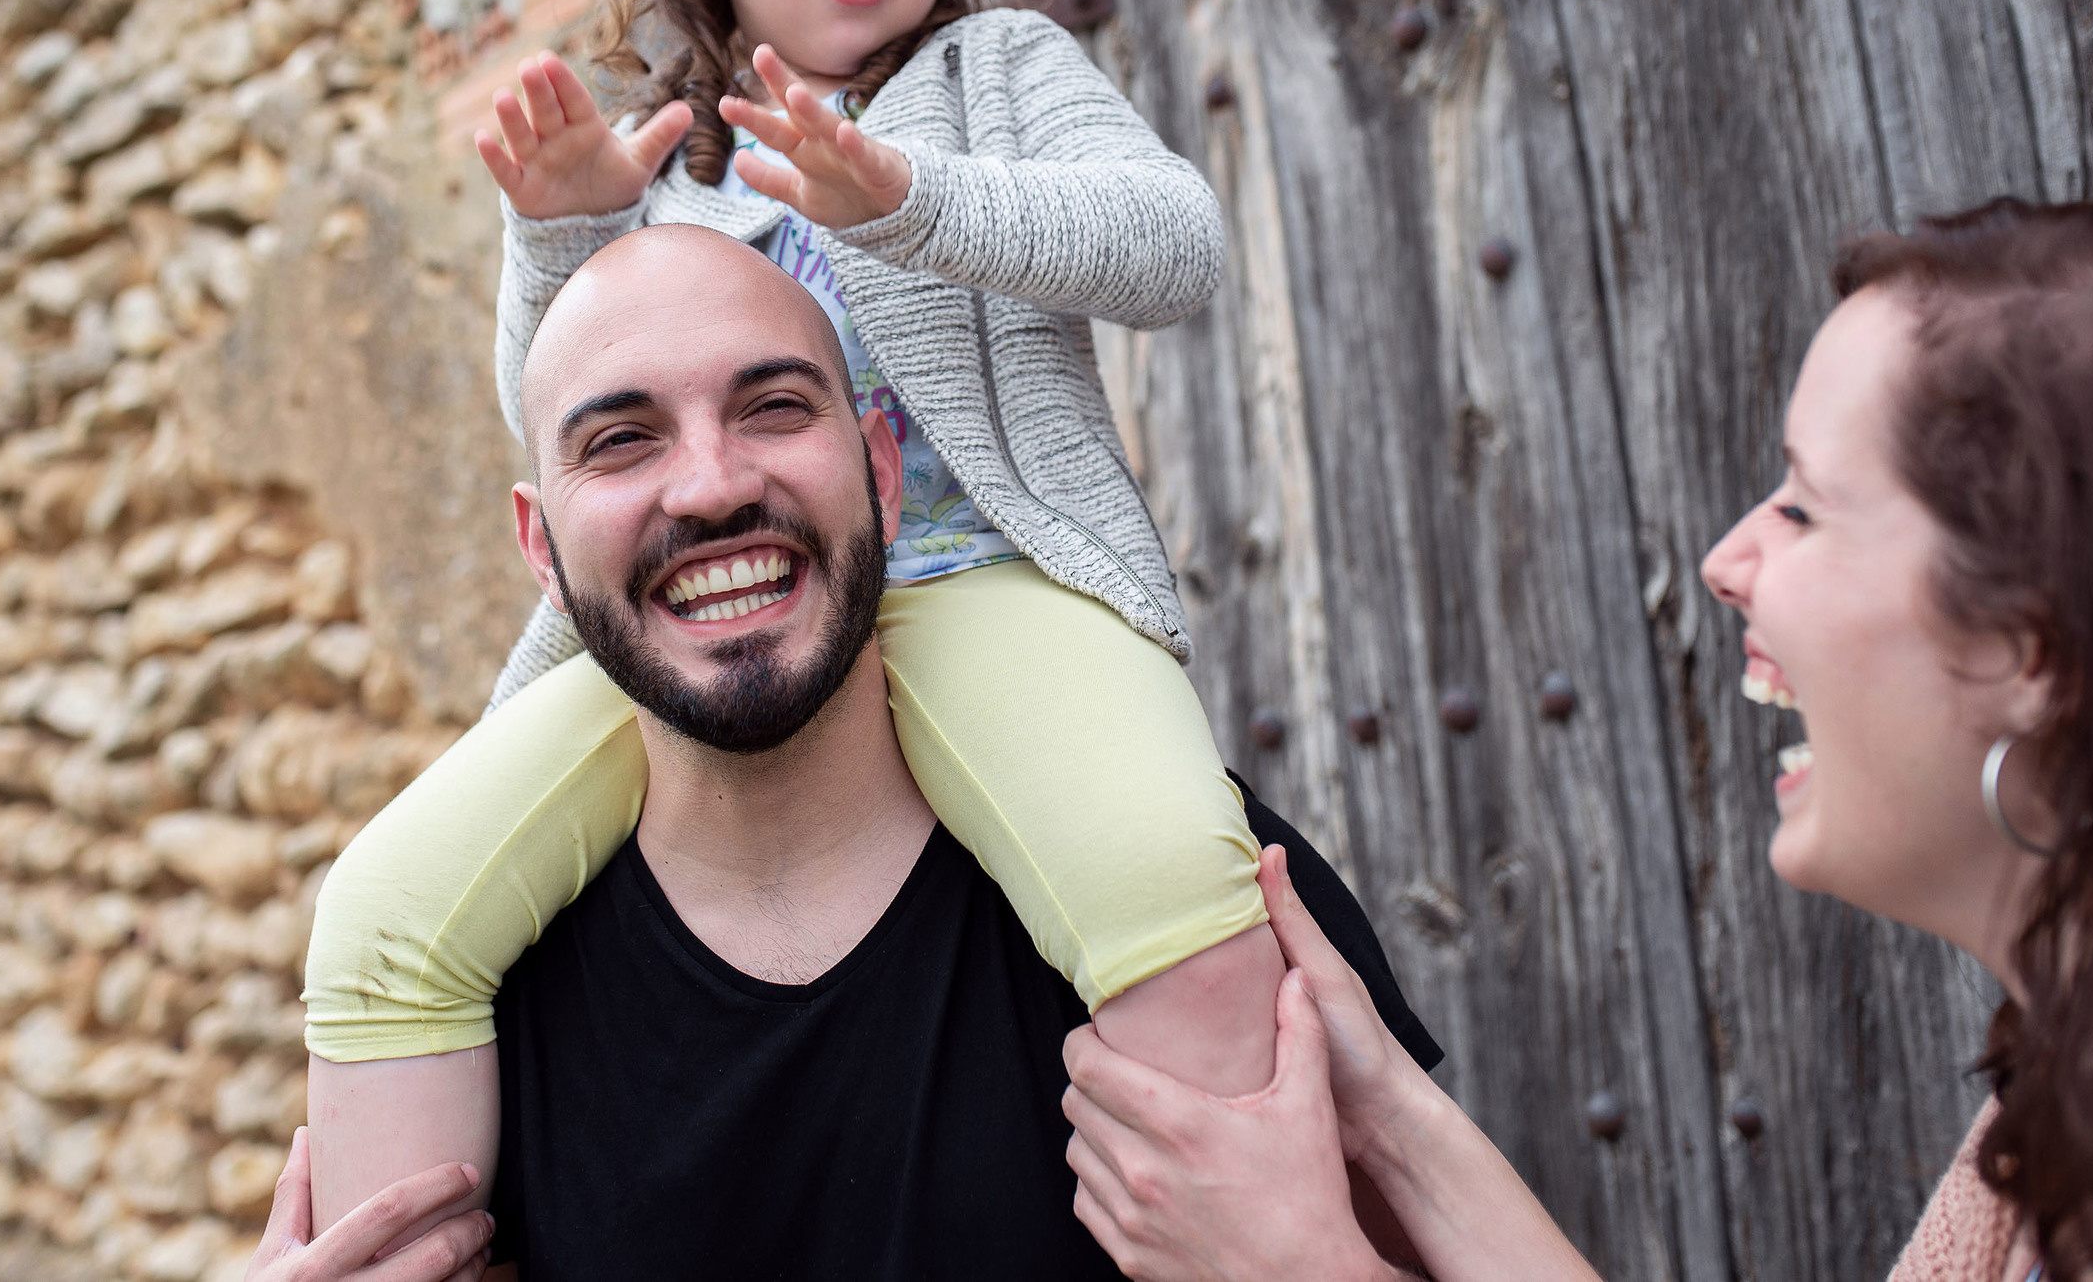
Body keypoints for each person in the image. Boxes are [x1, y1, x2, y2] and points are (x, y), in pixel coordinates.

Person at [299, 0, 1303, 1229]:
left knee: (1160, 861)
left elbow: (1172, 247)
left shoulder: (995, 75)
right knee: (385, 911)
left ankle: (1265, 1232)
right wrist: (562, 234)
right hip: (712, 627)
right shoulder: (662, 163)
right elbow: (554, 416)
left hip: (980, 583)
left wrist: (907, 200)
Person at [267, 224, 1439, 1279]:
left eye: (774, 408)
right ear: (542, 550)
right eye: (621, 441)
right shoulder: (482, 1008)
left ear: (882, 472)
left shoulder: (1195, 883)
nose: (713, 485)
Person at [1060, 197, 2093, 1282]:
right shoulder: (2068, 1100)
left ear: (2032, 651)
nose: (1724, 561)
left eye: (1804, 508)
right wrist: (1387, 1113)